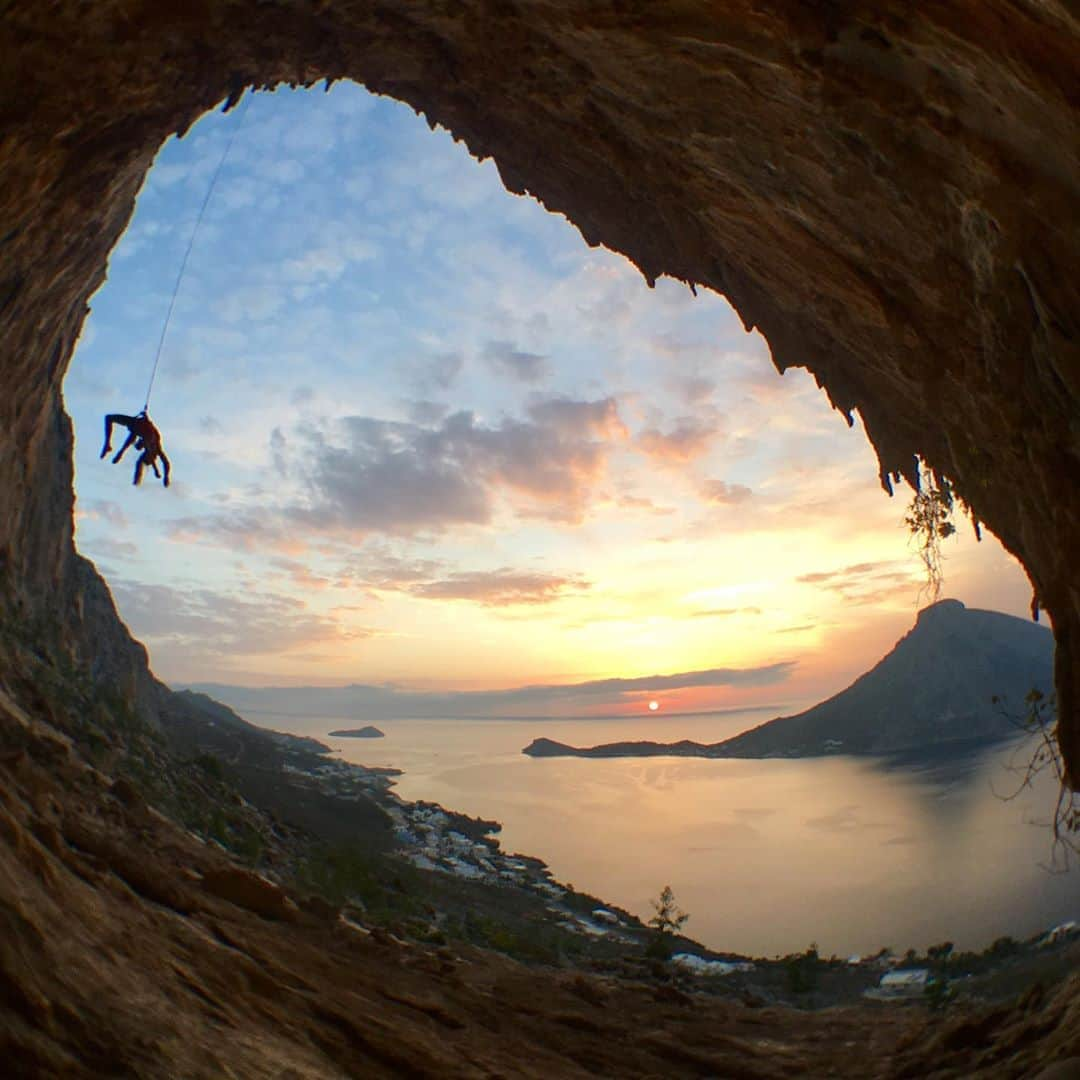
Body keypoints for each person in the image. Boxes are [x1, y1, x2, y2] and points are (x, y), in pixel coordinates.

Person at [100, 410, 170, 487]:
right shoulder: (156, 447)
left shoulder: (146, 441)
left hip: (136, 424)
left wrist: (158, 472)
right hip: (138, 425)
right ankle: (110, 446)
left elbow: (157, 459)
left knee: (109, 418)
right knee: (109, 418)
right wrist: (164, 476)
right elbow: (165, 462)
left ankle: (109, 446)